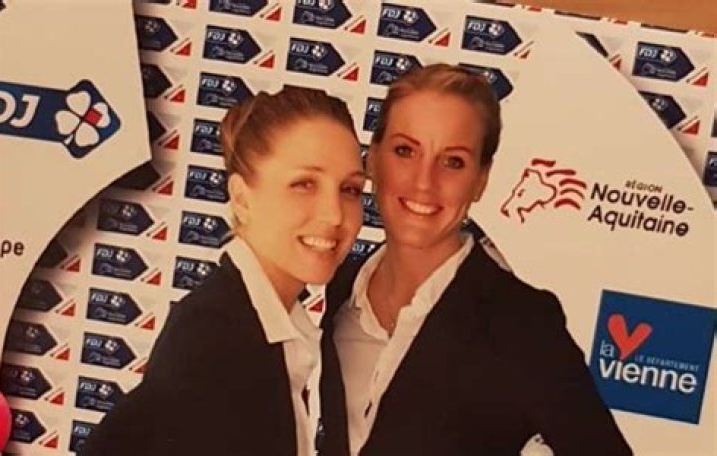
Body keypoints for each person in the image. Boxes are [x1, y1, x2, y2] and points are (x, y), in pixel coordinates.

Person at [320, 64, 633, 455]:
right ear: (373, 159)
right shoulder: (340, 287)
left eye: (453, 161)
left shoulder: (521, 321)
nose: (424, 181)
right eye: (405, 151)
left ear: (481, 180)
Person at [80, 86, 365, 456]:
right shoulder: (215, 338)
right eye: (304, 184)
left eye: (350, 189)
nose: (334, 214)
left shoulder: (259, 325)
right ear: (242, 199)